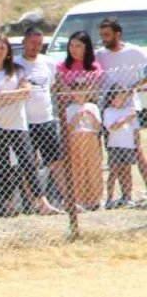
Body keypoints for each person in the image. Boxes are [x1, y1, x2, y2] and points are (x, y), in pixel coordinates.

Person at [0, 34, 60, 217]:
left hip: (19, 124)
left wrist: (3, 95)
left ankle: (42, 203)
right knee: (4, 166)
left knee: (28, 163)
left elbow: (27, 92)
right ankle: (7, 205)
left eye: (2, 48)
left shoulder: (18, 70)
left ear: (8, 51)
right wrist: (13, 95)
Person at [15, 27, 68, 208]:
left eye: (39, 44)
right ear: (24, 42)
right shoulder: (15, 64)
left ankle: (68, 200)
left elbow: (53, 86)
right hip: (24, 123)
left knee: (56, 161)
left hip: (46, 120)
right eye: (32, 43)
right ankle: (33, 204)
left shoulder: (48, 63)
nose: (35, 47)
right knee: (28, 164)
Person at [96, 17, 147, 187]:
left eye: (107, 35)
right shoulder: (100, 55)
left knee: (136, 148)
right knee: (115, 152)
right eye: (102, 35)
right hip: (109, 109)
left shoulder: (135, 52)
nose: (104, 38)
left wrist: (132, 89)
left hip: (130, 106)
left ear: (117, 34)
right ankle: (122, 194)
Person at [63, 81, 104, 210]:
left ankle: (95, 199)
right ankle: (79, 199)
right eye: (76, 90)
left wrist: (92, 116)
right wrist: (77, 117)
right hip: (75, 137)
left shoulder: (92, 107)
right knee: (78, 168)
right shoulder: (69, 109)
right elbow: (67, 129)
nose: (79, 93)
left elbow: (98, 127)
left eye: (82, 89)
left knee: (93, 167)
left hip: (90, 136)